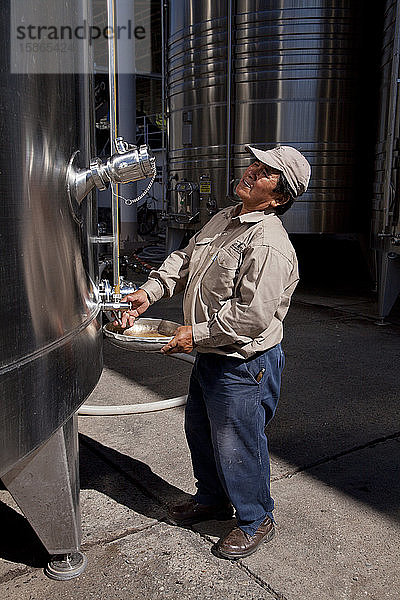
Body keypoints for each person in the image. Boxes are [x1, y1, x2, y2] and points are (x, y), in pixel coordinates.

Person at [120, 144, 311, 559]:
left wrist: (194, 335)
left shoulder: (268, 244)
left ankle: (256, 517)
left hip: (244, 363)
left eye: (265, 173)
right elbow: (183, 258)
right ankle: (211, 499)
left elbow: (250, 319)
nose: (251, 172)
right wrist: (148, 293)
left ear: (278, 197)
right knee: (201, 430)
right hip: (212, 353)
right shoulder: (226, 218)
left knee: (238, 443)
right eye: (255, 164)